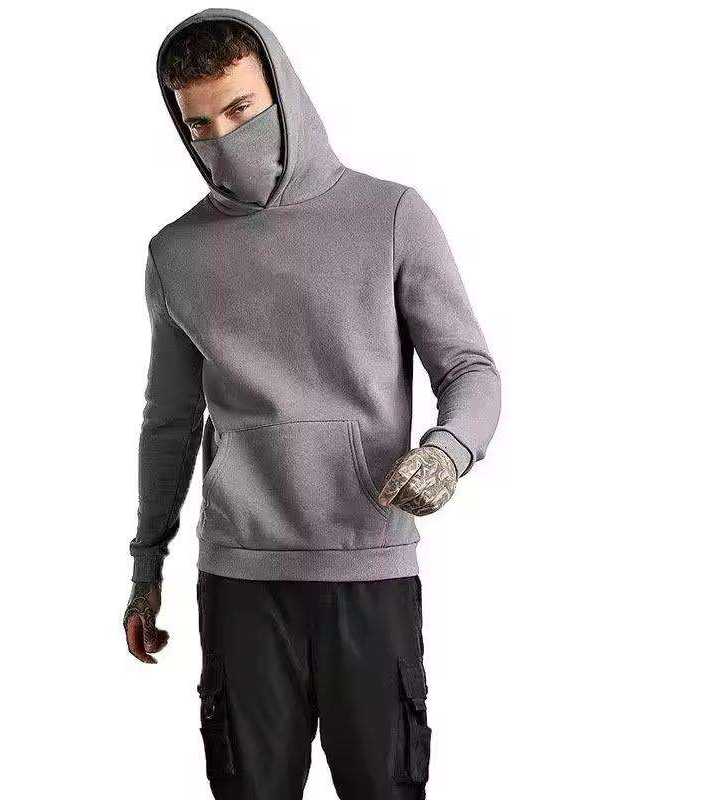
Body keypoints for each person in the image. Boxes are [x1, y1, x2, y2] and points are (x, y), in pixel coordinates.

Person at [123, 8, 501, 799]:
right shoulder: (176, 253)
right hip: (240, 579)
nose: (224, 139)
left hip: (368, 566)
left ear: (283, 92)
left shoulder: (390, 216)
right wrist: (146, 567)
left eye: (241, 109)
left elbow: (469, 368)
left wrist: (448, 452)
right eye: (200, 126)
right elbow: (169, 422)